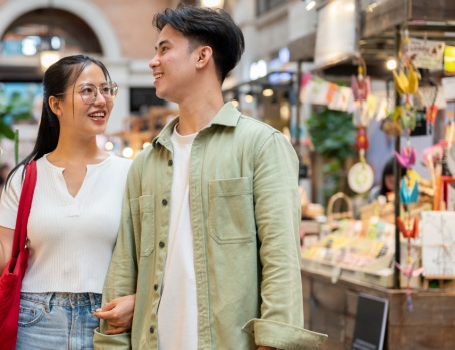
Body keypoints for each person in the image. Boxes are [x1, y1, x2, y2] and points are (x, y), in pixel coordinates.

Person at [93, 5, 327, 350]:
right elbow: (124, 264)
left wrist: (274, 342)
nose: (153, 61)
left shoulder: (261, 146)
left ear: (202, 56)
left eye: (165, 49)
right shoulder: (146, 162)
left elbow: (281, 260)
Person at [0, 55, 135, 349]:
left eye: (106, 89)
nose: (101, 100)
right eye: (87, 90)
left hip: (106, 325)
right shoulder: (26, 177)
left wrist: (136, 300)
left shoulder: (130, 173)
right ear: (55, 105)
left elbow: (149, 257)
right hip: (36, 325)